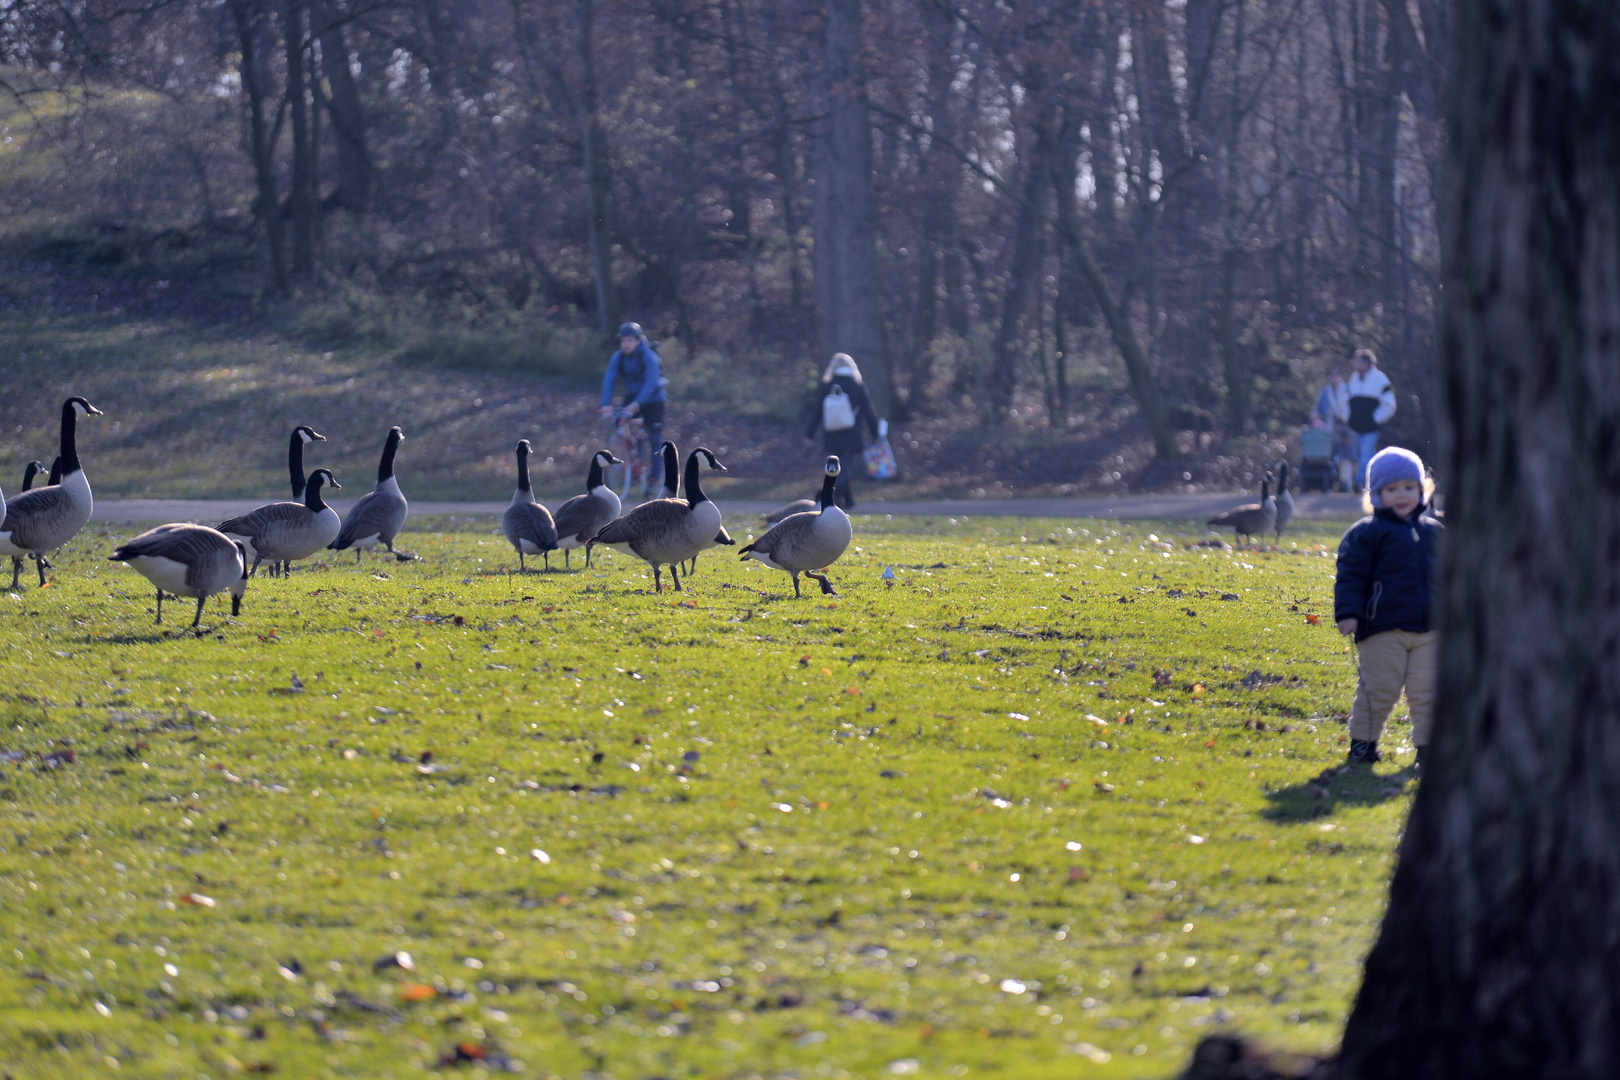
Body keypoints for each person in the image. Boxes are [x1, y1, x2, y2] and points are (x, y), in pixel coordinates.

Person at [1334, 446, 1442, 770]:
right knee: (1379, 688)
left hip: (1430, 630)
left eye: (1409, 487)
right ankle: (1363, 745)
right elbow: (1350, 575)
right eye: (1391, 489)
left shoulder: (1435, 531)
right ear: (1377, 495)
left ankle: (1428, 749)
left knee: (1427, 691)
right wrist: (1348, 613)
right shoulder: (1367, 533)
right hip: (1382, 628)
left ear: (1422, 489)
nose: (1402, 495)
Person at [803, 353, 879, 511]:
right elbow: (868, 411)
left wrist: (809, 434)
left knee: (840, 465)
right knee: (843, 465)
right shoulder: (858, 386)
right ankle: (835, 497)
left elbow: (817, 411)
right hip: (852, 433)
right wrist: (876, 434)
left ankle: (849, 501)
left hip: (832, 433)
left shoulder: (828, 385)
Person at [598, 322, 667, 489]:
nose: (625, 344)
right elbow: (610, 379)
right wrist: (605, 403)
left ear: (637, 341)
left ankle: (654, 478)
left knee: (655, 437)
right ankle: (632, 453)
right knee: (618, 420)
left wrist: (637, 403)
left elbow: (651, 382)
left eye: (629, 340)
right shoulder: (618, 357)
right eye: (623, 341)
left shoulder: (648, 356)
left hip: (653, 398)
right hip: (633, 396)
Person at [1344, 348, 1396, 492]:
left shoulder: (1380, 379)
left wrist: (1376, 419)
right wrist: (1348, 418)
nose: (1355, 365)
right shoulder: (1354, 378)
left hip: (1371, 427)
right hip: (1355, 426)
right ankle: (1368, 483)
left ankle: (1359, 482)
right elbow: (1346, 400)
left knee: (1366, 454)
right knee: (1358, 456)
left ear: (1366, 363)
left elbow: (1389, 404)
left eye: (1358, 362)